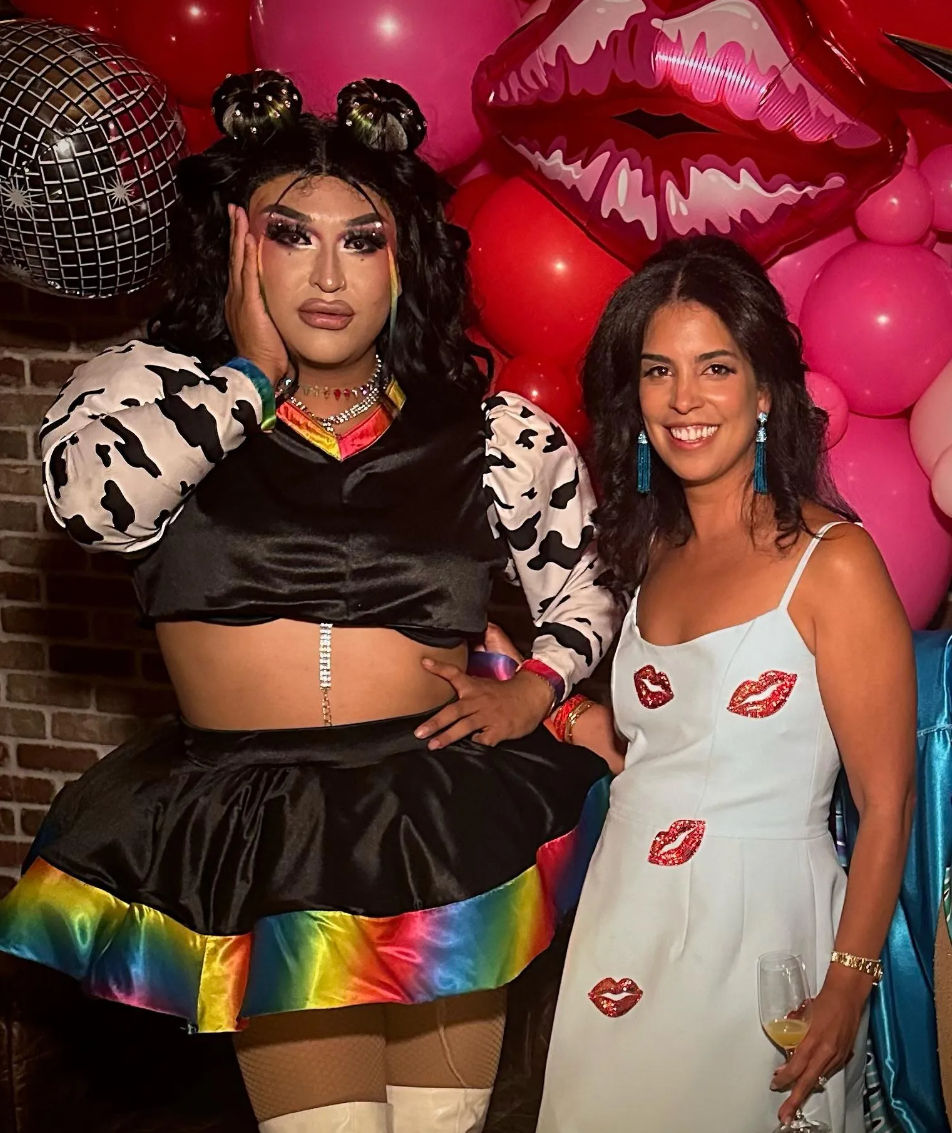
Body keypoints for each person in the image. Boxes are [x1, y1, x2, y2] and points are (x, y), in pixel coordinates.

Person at [0, 72, 619, 1133]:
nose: (329, 272)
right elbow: (91, 509)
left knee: (443, 1124)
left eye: (362, 240)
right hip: (262, 828)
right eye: (292, 236)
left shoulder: (491, 432)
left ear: (402, 263)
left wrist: (540, 688)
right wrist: (248, 374)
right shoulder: (145, 393)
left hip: (439, 813)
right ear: (237, 246)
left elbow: (584, 589)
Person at [533, 235, 916, 1132]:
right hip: (624, 923)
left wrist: (846, 986)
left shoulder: (834, 561)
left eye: (714, 367)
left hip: (763, 944)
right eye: (659, 372)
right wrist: (549, 702)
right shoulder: (653, 555)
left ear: (766, 391)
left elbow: (887, 800)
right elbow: (664, 757)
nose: (684, 399)